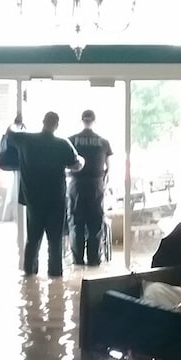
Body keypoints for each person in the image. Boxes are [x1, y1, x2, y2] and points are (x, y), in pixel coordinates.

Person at [4, 112, 85, 278]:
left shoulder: (26, 140)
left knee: (33, 240)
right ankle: (55, 278)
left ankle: (29, 276)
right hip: (56, 200)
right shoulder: (63, 144)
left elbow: (9, 133)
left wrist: (16, 123)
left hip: (33, 200)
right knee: (55, 242)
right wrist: (82, 161)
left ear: (43, 122)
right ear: (56, 125)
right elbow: (76, 165)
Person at [67, 109, 113, 266]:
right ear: (94, 121)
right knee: (95, 223)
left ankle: (78, 261)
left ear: (82, 121)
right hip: (96, 185)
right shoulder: (103, 142)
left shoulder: (71, 140)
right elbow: (109, 169)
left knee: (76, 223)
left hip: (77, 185)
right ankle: (94, 260)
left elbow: (66, 167)